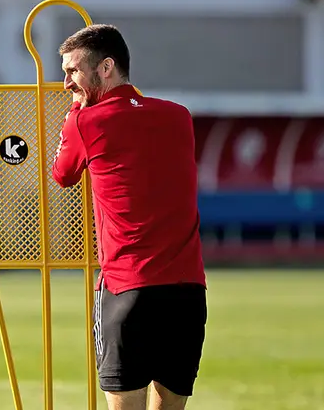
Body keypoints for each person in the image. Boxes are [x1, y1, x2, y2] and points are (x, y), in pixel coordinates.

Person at [52, 25, 208, 410]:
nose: (66, 82)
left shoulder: (84, 122)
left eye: (73, 71)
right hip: (187, 292)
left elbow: (63, 174)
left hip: (127, 288)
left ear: (106, 68)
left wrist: (78, 110)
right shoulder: (178, 116)